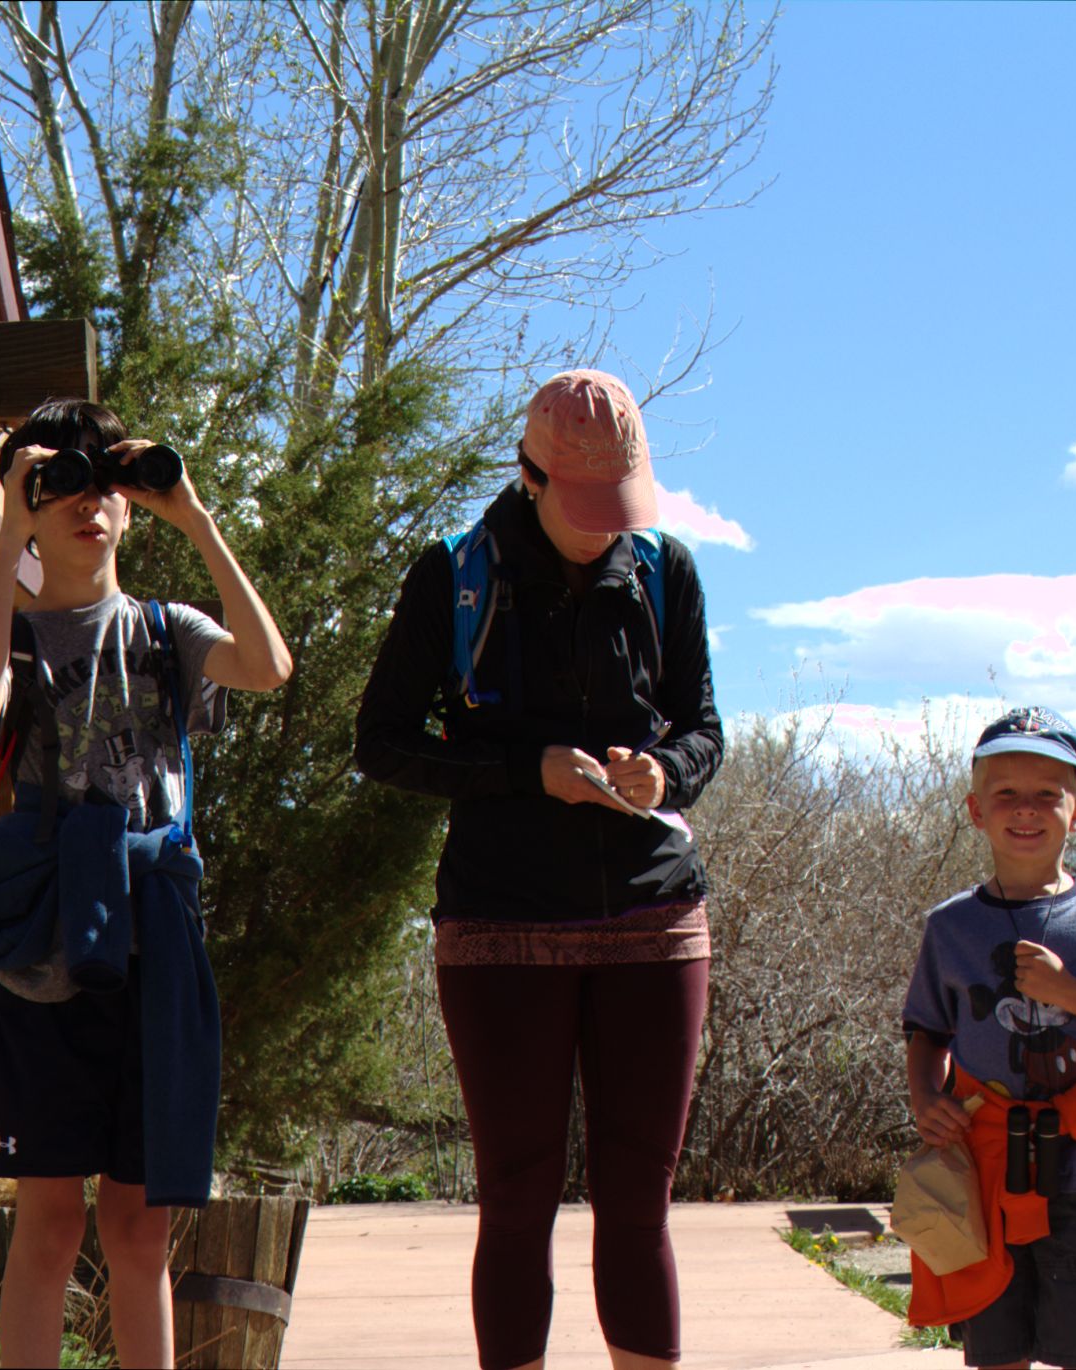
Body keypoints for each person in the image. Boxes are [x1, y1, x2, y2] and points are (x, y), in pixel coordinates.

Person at [354, 369, 723, 1370]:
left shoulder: (664, 570)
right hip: (498, 922)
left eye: (621, 505)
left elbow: (703, 726)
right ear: (527, 474)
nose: (606, 527)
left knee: (638, 1195)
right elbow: (380, 741)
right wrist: (528, 771)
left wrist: (667, 768)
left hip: (654, 916)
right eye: (584, 504)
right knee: (517, 1189)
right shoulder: (452, 576)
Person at [0, 399, 292, 1370]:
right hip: (41, 968)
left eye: (105, 485)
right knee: (51, 1222)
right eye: (59, 485)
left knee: (140, 1230)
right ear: (26, 501)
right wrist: (6, 538)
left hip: (157, 954)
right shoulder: (8, 633)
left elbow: (268, 664)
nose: (87, 504)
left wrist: (197, 516)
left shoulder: (162, 628)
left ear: (129, 507)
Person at [903, 705, 1076, 1370]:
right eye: (1005, 794)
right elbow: (925, 1029)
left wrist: (1069, 993)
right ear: (975, 810)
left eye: (1046, 796)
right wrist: (922, 1096)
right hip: (984, 1170)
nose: (1024, 810)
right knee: (995, 1345)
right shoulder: (951, 926)